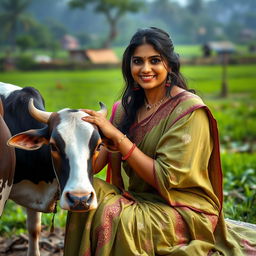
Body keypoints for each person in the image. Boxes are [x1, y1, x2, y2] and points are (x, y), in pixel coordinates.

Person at [64, 27, 256, 256]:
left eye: (155, 60)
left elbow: (166, 178)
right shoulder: (123, 110)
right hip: (139, 200)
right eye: (138, 61)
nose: (145, 69)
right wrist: (74, 135)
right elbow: (94, 167)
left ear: (170, 64)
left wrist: (118, 138)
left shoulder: (188, 111)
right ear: (129, 66)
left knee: (113, 216)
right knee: (87, 195)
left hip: (184, 209)